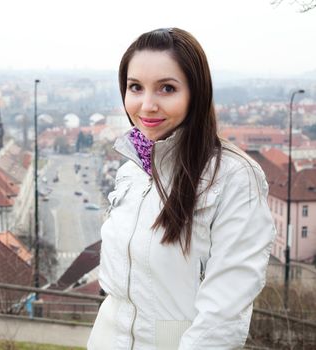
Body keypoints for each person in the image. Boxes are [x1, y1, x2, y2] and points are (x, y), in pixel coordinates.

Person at [87, 28, 276, 350]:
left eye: (167, 88)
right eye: (135, 87)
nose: (146, 105)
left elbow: (225, 312)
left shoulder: (234, 177)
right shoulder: (131, 169)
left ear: (195, 94)